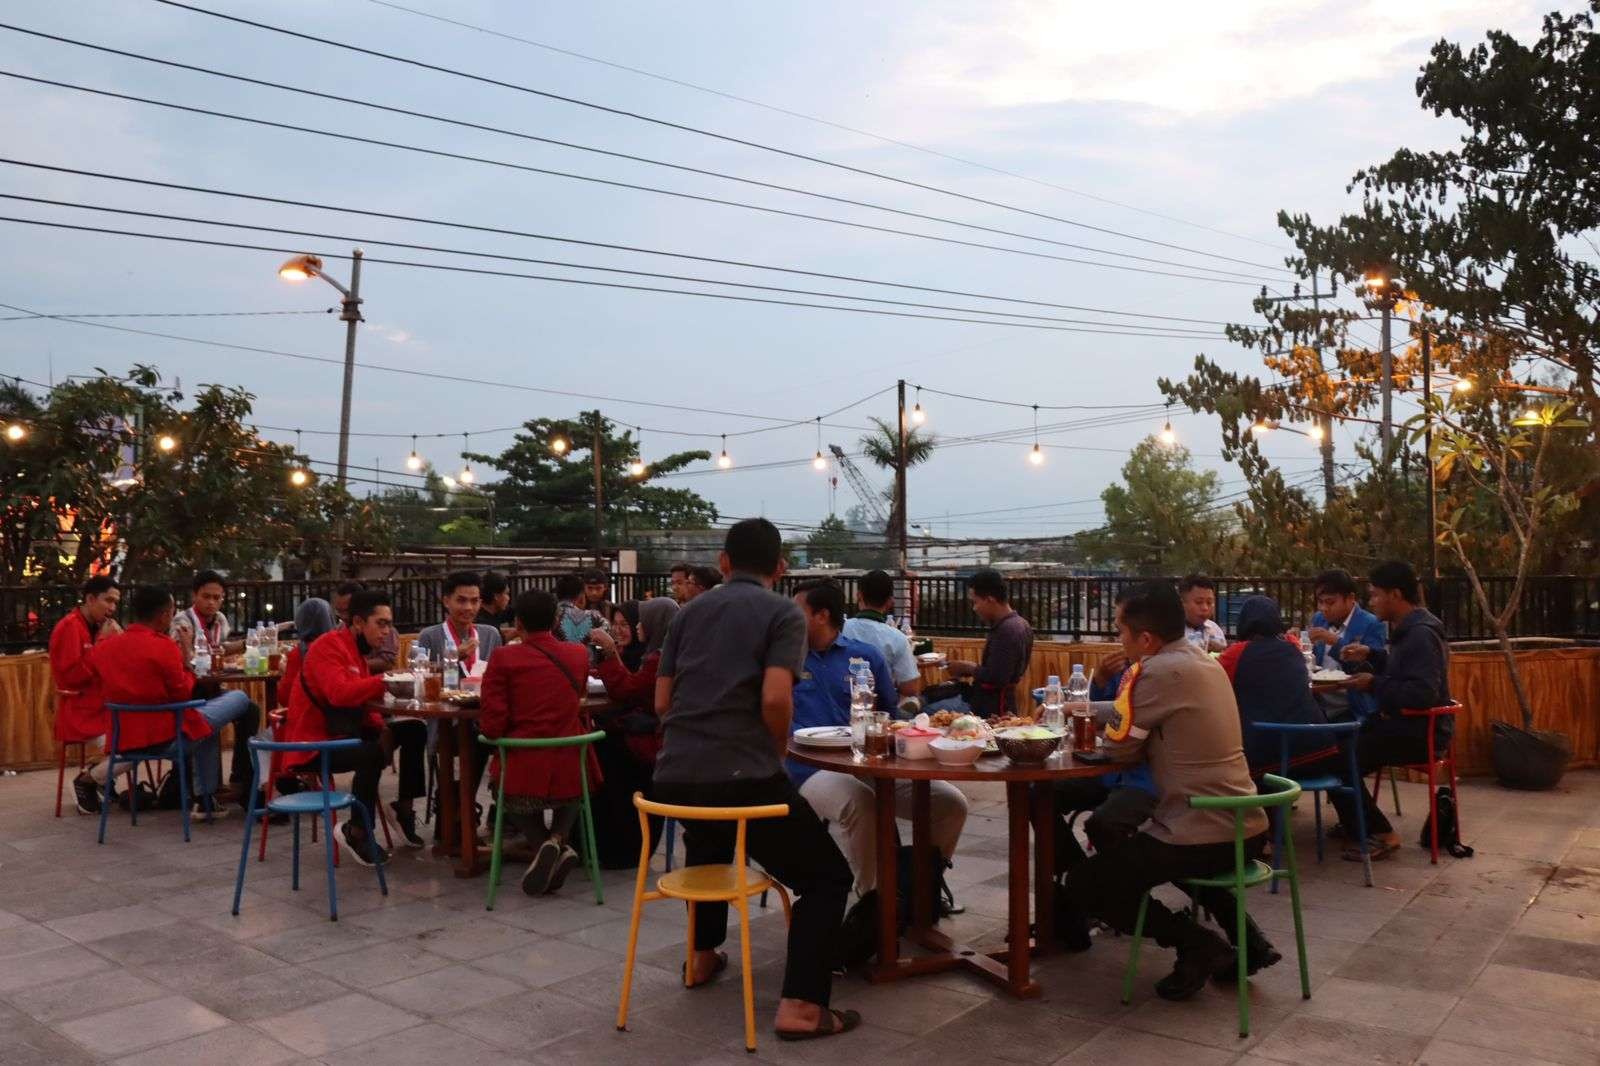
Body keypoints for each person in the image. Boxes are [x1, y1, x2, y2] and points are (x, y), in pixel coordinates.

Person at [652, 518, 858, 1041]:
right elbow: (773, 698)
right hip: (744, 774)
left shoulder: (688, 612)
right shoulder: (783, 613)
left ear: (723, 563)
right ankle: (802, 1008)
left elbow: (660, 702)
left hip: (673, 779)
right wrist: (771, 755)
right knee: (827, 878)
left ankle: (701, 959)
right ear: (781, 568)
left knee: (712, 840)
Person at [1062, 581, 1275, 1001]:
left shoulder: (1157, 671)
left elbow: (1120, 749)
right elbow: (1139, 712)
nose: (1117, 639)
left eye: (1120, 631)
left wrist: (1085, 724)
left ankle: (1196, 944)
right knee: (1133, 855)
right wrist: (1083, 708)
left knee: (1086, 883)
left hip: (1202, 827)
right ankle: (1249, 941)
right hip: (1245, 821)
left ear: (1145, 638)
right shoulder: (1199, 659)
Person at [789, 579, 966, 911]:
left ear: (821, 615)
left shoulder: (864, 656)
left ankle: (917, 889)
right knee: (862, 804)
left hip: (870, 762)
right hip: (810, 768)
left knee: (951, 804)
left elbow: (890, 712)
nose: (789, 618)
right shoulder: (784, 659)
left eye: (797, 611)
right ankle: (875, 906)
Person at [1314, 561, 1451, 862]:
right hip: (1399, 723)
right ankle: (1356, 823)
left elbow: (1420, 693)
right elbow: (1402, 673)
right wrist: (1373, 655)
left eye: (1375, 595)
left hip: (1418, 731)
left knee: (1337, 762)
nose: (1372, 601)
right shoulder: (1409, 630)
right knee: (1331, 753)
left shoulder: (1420, 635)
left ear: (1395, 594)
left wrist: (1373, 683)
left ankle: (1380, 833)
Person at [283, 590, 426, 865]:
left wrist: (380, 727)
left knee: (414, 729)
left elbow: (361, 705)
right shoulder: (328, 646)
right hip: (314, 744)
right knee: (371, 753)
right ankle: (357, 831)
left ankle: (403, 809)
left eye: (389, 624)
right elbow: (340, 693)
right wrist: (386, 679)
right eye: (381, 623)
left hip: (343, 731)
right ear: (358, 622)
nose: (387, 631)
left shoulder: (356, 651)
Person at [479, 589, 599, 896]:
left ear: (517, 623)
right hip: (572, 768)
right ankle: (559, 838)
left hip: (523, 770)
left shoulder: (504, 657)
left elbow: (492, 726)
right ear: (557, 619)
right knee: (575, 785)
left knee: (499, 789)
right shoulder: (577, 655)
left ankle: (543, 843)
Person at [87, 585, 244, 819]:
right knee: (238, 699)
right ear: (164, 615)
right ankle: (224, 790)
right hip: (168, 739)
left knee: (207, 725)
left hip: (123, 740)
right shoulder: (164, 647)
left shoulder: (103, 649)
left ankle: (205, 800)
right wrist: (188, 658)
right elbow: (183, 694)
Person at [1051, 650, 1158, 919]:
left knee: (1103, 824)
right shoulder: (1124, 671)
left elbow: (1124, 713)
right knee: (1039, 794)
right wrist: (1099, 679)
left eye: (1122, 631)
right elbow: (1097, 714)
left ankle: (1107, 892)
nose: (1119, 640)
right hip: (1109, 771)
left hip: (1147, 778)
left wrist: (1071, 707)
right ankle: (1081, 876)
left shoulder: (1163, 672)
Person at [588, 597, 678, 867]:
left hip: (649, 740)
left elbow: (626, 690)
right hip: (652, 733)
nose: (634, 627)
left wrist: (606, 650)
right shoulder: (662, 651)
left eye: (638, 621)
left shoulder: (659, 658)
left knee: (599, 754)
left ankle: (611, 846)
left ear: (655, 624)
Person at [1217, 596, 1335, 775]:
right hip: (1318, 750)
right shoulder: (1292, 647)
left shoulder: (1236, 654)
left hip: (1267, 759)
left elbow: (1214, 684)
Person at [168, 570, 260, 795]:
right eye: (206, 596)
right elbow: (183, 659)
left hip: (212, 686)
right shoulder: (182, 621)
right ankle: (196, 788)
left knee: (251, 711)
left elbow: (219, 649)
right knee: (237, 704)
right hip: (189, 690)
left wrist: (247, 644)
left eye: (217, 598)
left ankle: (240, 778)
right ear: (194, 596)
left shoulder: (221, 621)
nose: (211, 602)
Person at [53, 576, 122, 813]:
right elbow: (73, 676)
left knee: (146, 736)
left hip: (105, 707)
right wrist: (104, 643)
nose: (112, 608)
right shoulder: (69, 627)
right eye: (108, 601)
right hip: (81, 712)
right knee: (131, 744)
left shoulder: (98, 626)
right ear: (91, 599)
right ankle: (88, 780)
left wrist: (120, 643)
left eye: (115, 603)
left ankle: (99, 778)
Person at [936, 569, 1034, 717]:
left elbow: (997, 678)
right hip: (995, 702)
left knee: (930, 710)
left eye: (975, 602)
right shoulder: (1020, 623)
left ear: (990, 599)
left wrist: (969, 667)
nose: (974, 608)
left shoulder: (1008, 630)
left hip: (992, 709)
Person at [1308, 569, 1388, 721]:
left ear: (1350, 598)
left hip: (1353, 706)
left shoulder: (1371, 624)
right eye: (1320, 602)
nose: (1323, 608)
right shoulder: (1319, 619)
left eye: (1330, 602)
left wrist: (1335, 642)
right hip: (1319, 704)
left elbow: (1371, 669)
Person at [840, 569, 920, 699]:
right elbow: (910, 688)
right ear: (890, 601)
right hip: (881, 709)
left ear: (859, 596)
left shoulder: (839, 629)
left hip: (839, 705)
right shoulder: (897, 638)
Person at [415, 571, 503, 673]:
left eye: (474, 601)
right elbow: (419, 674)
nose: (468, 608)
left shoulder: (491, 635)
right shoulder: (429, 636)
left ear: (480, 603)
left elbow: (499, 673)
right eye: (461, 601)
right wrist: (453, 658)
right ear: (446, 601)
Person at [332, 580, 398, 673]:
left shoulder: (383, 629)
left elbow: (387, 662)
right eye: (339, 611)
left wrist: (353, 665)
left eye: (346, 611)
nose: (343, 616)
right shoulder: (338, 631)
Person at [1179, 574, 1227, 653]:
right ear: (1182, 603)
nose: (1205, 608)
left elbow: (1222, 647)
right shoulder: (1172, 633)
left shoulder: (1213, 628)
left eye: (1209, 602)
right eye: (1199, 602)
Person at [554, 574, 606, 644]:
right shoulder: (594, 616)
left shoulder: (549, 615)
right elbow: (607, 634)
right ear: (581, 595)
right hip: (585, 654)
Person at [478, 571, 516, 638]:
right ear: (496, 596)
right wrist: (519, 631)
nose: (508, 598)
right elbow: (498, 641)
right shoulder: (482, 622)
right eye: (506, 593)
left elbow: (514, 611)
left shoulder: (493, 612)